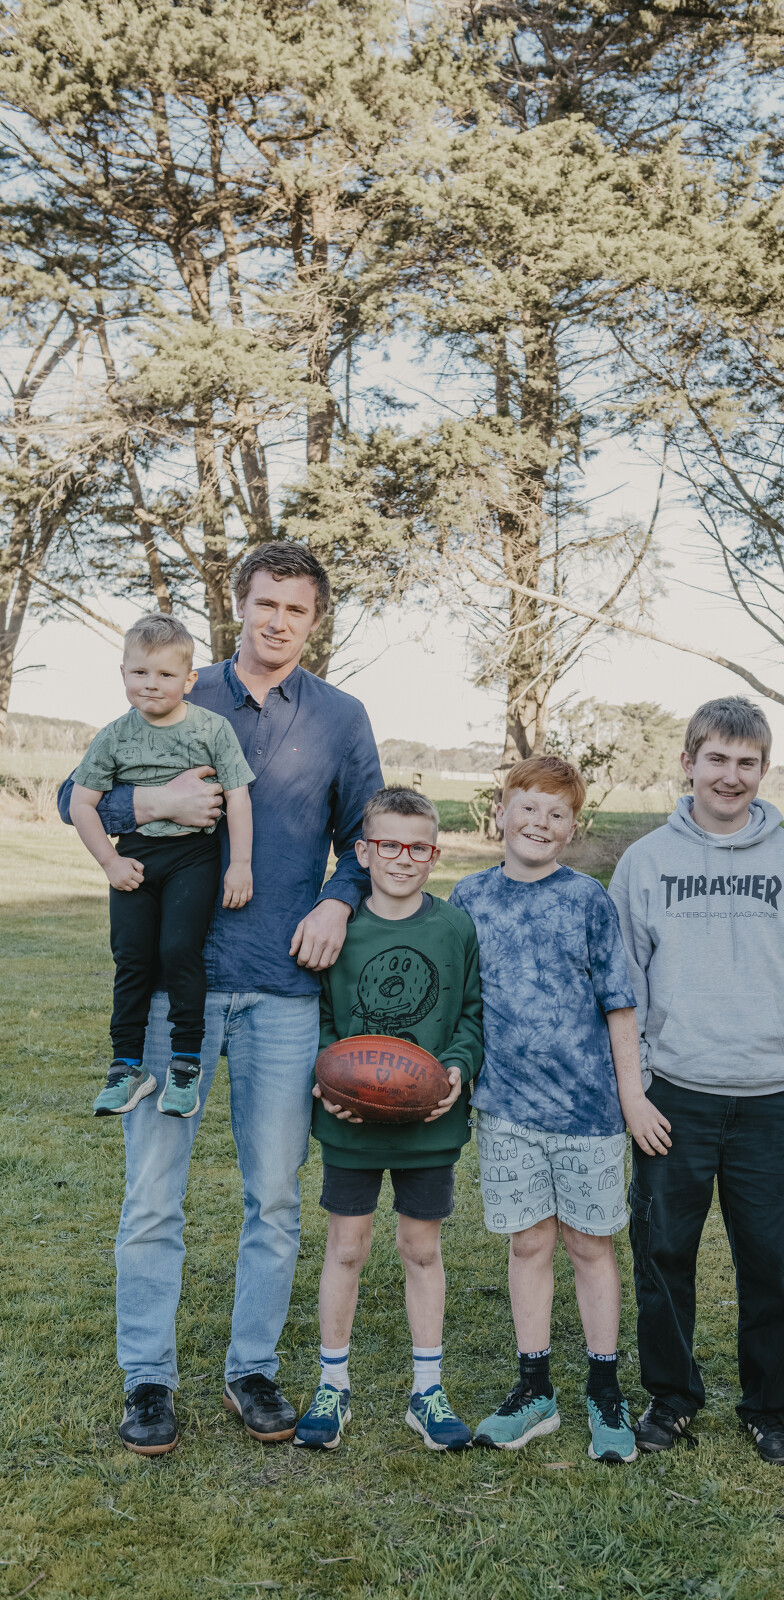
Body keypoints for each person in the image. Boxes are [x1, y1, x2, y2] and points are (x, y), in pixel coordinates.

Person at [58, 541, 383, 1456]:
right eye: (265, 602)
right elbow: (73, 795)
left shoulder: (341, 717)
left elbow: (366, 836)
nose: (278, 621)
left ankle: (252, 1369)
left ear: (314, 620)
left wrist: (337, 900)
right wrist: (150, 804)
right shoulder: (173, 686)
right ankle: (147, 1380)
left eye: (297, 609)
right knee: (153, 1196)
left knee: (273, 1198)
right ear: (239, 603)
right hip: (176, 990)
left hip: (283, 991)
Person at [609, 696, 784, 1465]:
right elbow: (621, 984)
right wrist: (639, 1084)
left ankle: (769, 1408)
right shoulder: (646, 862)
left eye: (746, 763)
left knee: (772, 1261)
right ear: (688, 762)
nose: (730, 776)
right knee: (663, 1253)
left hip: (771, 1098)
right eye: (716, 759)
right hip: (674, 1095)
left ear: (763, 769)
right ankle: (671, 1398)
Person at [450, 755, 652, 1465]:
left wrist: (631, 1096)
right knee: (528, 1244)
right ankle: (534, 1390)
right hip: (505, 1109)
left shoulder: (587, 899)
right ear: (501, 813)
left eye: (556, 814)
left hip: (586, 1111)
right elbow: (459, 999)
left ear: (572, 829)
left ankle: (604, 1390)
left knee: (589, 1246)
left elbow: (619, 1004)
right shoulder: (469, 897)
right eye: (527, 807)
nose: (539, 822)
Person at [294, 786, 482, 1454]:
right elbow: (317, 1016)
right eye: (389, 846)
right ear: (363, 852)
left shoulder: (453, 927)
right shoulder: (339, 928)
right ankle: (332, 1384)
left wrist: (456, 1067)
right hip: (352, 1120)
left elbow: (471, 1013)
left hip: (429, 1123)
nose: (403, 859)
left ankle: (427, 1390)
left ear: (435, 854)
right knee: (346, 1247)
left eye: (418, 848)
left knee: (421, 1249)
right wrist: (327, 1079)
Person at [70, 613, 255, 1121]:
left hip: (193, 856)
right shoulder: (113, 736)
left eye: (166, 674)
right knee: (131, 958)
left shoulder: (211, 729)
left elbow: (238, 797)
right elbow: (80, 804)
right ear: (123, 673)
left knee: (178, 950)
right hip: (133, 856)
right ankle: (127, 1066)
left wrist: (240, 863)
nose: (151, 684)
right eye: (140, 672)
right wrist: (109, 861)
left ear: (189, 680)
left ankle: (185, 1063)